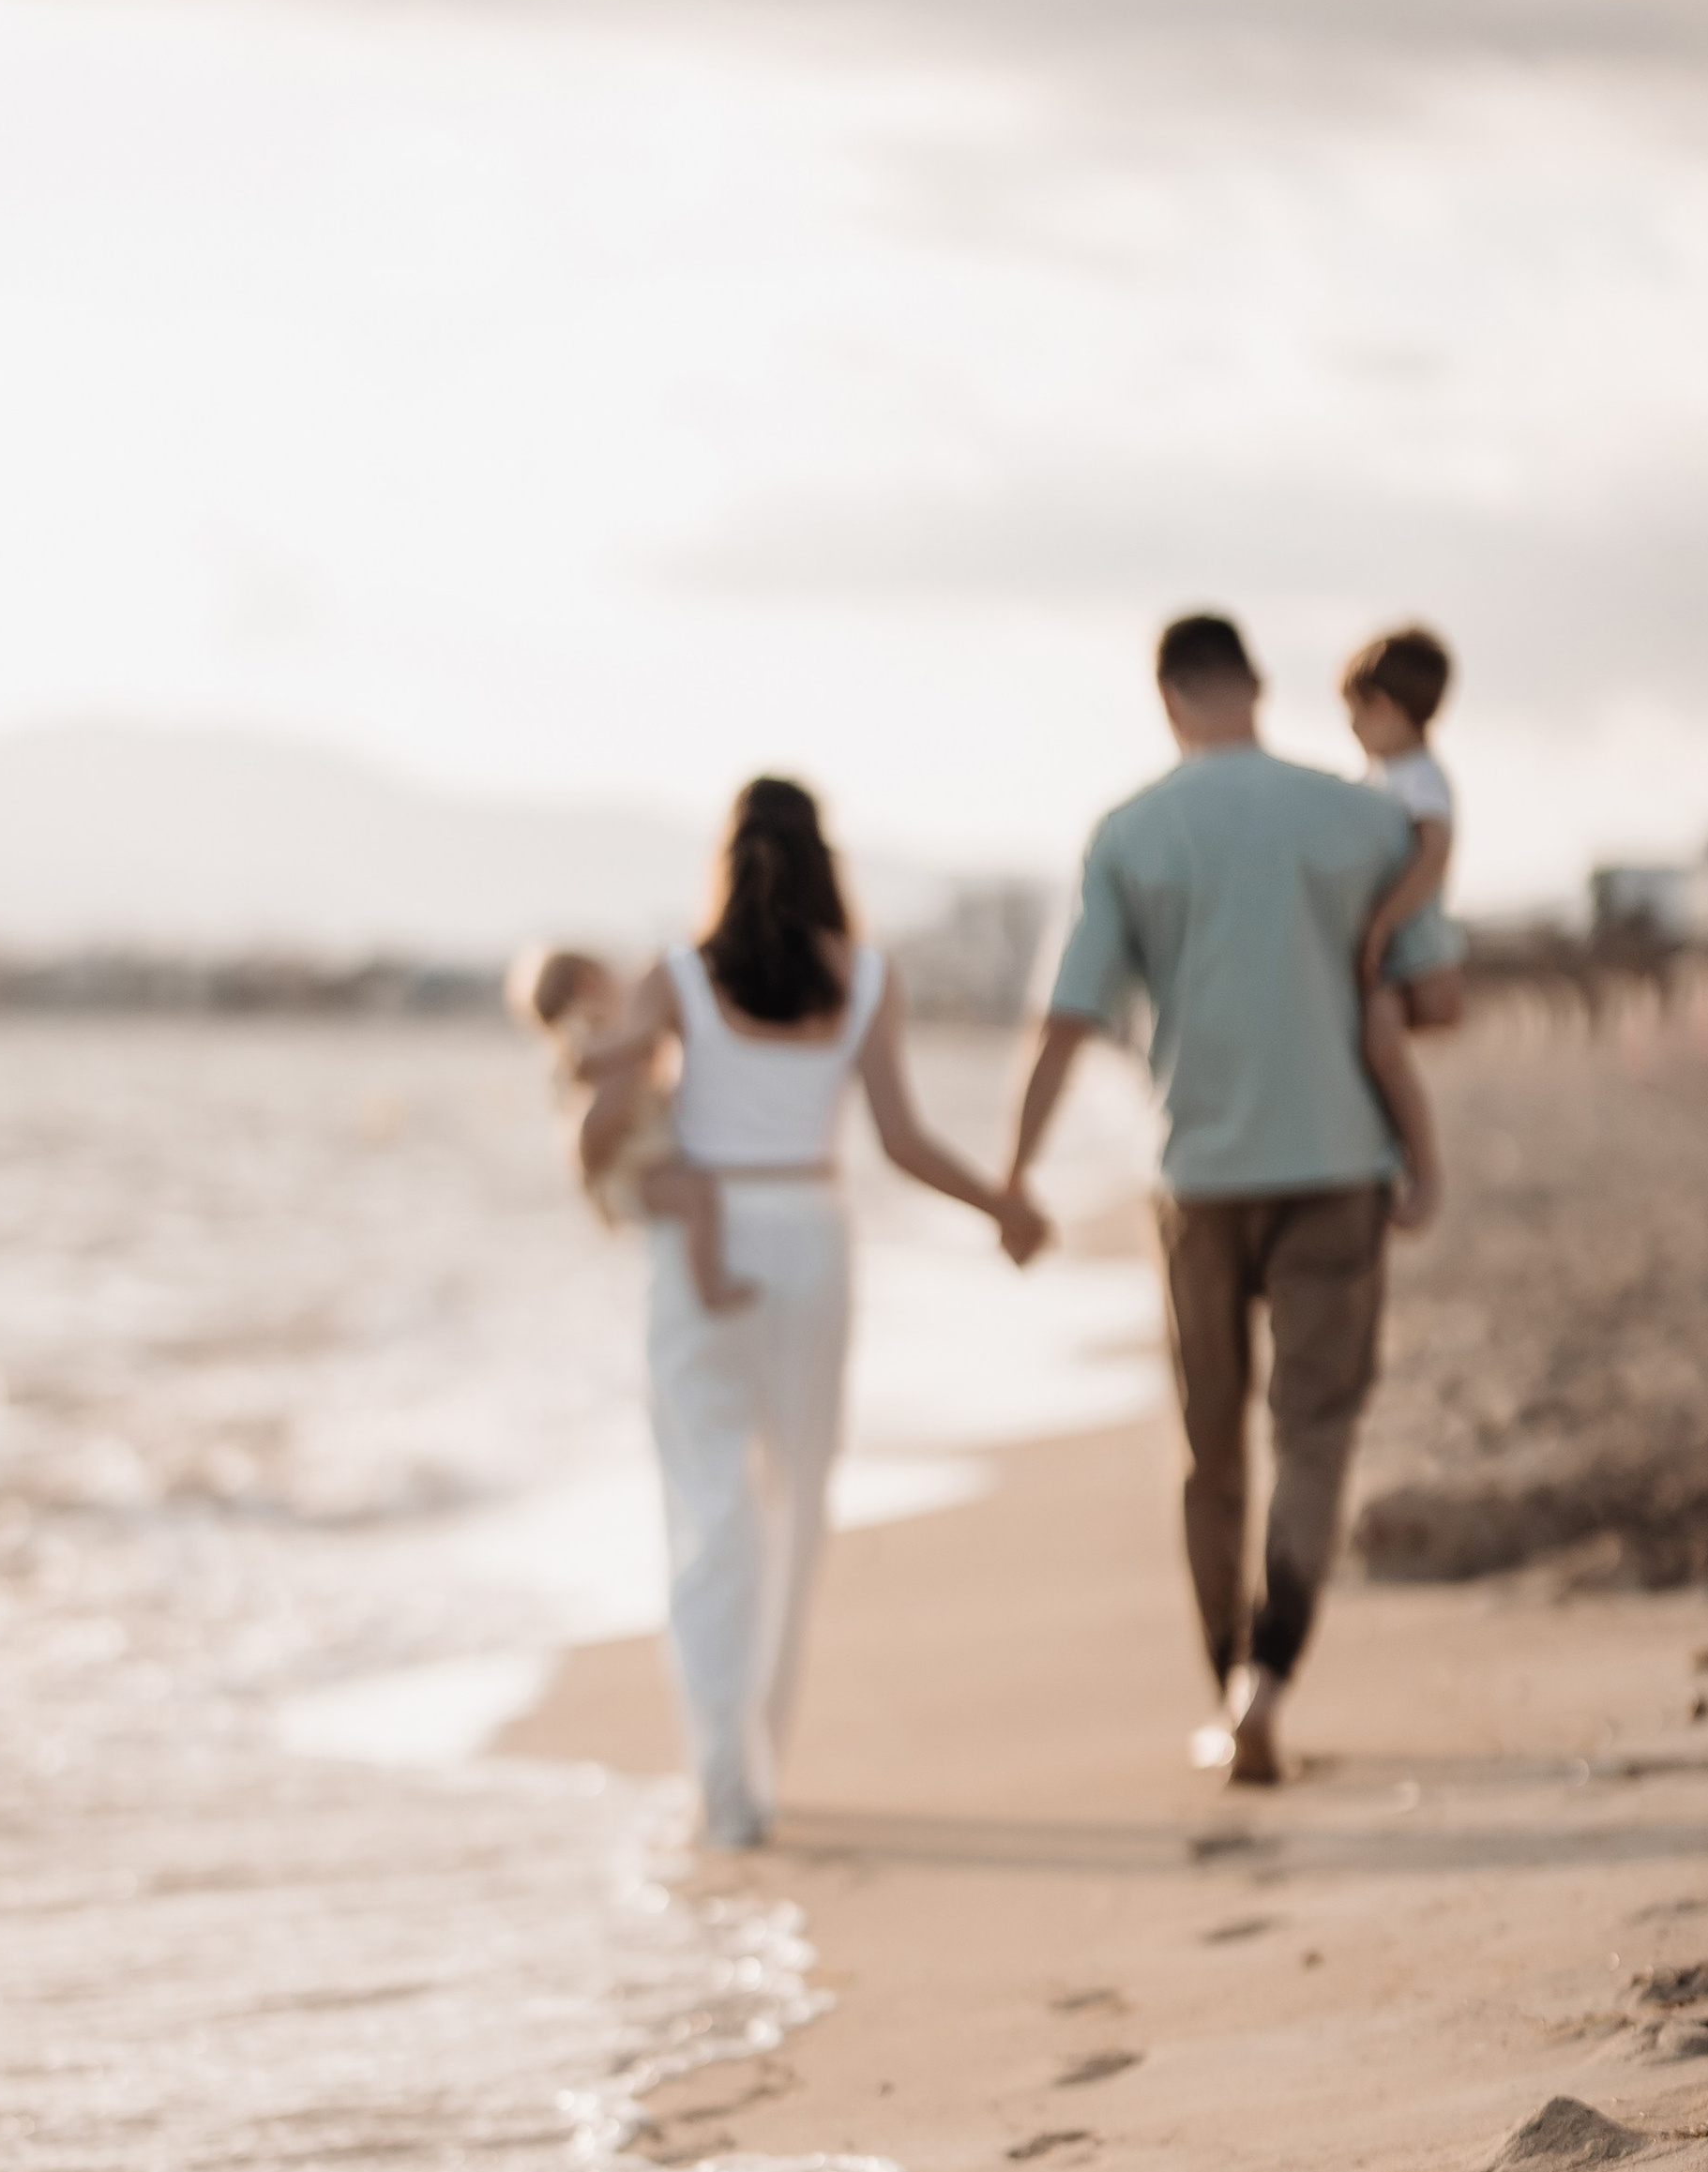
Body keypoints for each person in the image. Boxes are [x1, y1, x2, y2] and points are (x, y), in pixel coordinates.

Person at [1004, 611, 1461, 1789]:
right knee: (1313, 1434)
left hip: (1197, 1181)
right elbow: (1437, 995)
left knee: (1211, 1448)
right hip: (1339, 1169)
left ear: (1167, 701)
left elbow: (1069, 1017)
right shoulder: (1367, 818)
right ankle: (1271, 1681)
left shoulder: (1129, 831)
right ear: (1256, 687)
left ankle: (1224, 1694)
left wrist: (1012, 1178)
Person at [585, 776, 1049, 1848]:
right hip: (810, 1233)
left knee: (708, 1504)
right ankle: (759, 1766)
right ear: (825, 859)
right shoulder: (866, 977)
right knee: (794, 1502)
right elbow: (901, 1139)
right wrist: (1002, 1206)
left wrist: (590, 1088)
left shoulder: (678, 976)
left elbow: (605, 1101)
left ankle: (720, 1781)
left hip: (707, 1229)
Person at [512, 943, 755, 1314]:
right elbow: (606, 1105)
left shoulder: (589, 1042)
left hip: (631, 1168)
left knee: (698, 1196)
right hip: (630, 1174)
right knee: (697, 1196)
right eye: (617, 977)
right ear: (589, 984)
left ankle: (707, 1284)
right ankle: (711, 1288)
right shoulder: (598, 1035)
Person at [1340, 626, 1459, 1232]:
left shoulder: (1417, 777)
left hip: (1410, 946)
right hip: (1387, 943)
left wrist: (1382, 923)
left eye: (1354, 715)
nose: (1353, 730)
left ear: (1383, 709)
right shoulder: (1389, 777)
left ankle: (1426, 1170)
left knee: (1383, 1043)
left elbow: (1435, 852)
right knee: (1363, 1045)